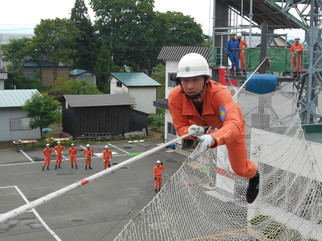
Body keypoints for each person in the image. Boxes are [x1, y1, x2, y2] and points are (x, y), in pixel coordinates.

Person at [168, 53, 260, 204]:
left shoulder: (220, 94)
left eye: (196, 80)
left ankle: (254, 175)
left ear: (206, 80)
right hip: (204, 128)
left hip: (230, 127)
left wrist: (213, 137)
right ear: (179, 81)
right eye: (185, 80)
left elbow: (234, 123)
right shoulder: (175, 97)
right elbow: (180, 129)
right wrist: (191, 132)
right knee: (197, 134)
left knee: (240, 169)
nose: (190, 86)